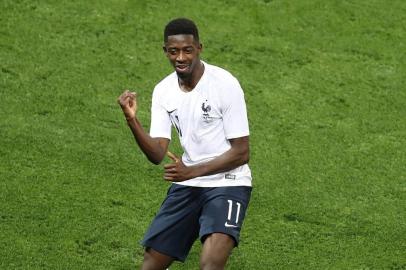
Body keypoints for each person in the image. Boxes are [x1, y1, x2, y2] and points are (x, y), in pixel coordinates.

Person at [118, 18, 252, 270]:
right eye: (174, 51)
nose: (180, 57)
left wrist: (191, 171)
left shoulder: (225, 84)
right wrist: (131, 120)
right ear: (165, 51)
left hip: (229, 183)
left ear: (199, 48)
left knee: (210, 265)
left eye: (187, 50)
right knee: (150, 266)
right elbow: (157, 153)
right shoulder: (163, 91)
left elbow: (241, 152)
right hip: (188, 184)